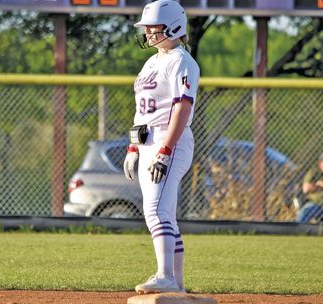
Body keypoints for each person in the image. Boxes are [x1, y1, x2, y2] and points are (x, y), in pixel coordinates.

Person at [123, 0, 199, 295]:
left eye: (153, 26)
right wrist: (133, 148)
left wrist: (166, 149)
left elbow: (182, 108)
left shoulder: (182, 61)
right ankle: (176, 284)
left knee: (155, 210)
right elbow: (142, 112)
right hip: (147, 142)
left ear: (173, 25)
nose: (148, 32)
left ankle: (165, 275)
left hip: (170, 140)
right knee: (163, 212)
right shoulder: (152, 61)